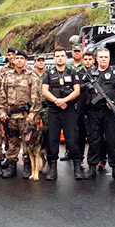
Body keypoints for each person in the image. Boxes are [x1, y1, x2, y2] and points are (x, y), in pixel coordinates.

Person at [0, 50, 41, 179]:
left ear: (26, 60)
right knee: (12, 141)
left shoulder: (31, 75)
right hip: (11, 115)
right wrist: (1, 111)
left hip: (26, 116)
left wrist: (32, 114)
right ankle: (12, 166)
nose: (19, 60)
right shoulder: (7, 75)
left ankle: (28, 166)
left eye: (22, 58)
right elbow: (2, 95)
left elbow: (36, 97)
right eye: (17, 58)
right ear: (13, 60)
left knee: (28, 142)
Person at [83, 48, 115, 180]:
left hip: (110, 112)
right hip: (94, 112)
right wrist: (90, 87)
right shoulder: (90, 72)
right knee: (94, 140)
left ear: (109, 58)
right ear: (96, 59)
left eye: (105, 57)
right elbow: (81, 86)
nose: (103, 59)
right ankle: (92, 167)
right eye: (100, 57)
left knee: (113, 140)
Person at [43, 48, 83, 180]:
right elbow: (44, 90)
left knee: (72, 139)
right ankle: (52, 169)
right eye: (57, 56)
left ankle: (77, 167)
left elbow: (77, 90)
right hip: (54, 111)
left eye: (62, 56)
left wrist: (65, 100)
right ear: (54, 58)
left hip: (69, 111)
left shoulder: (72, 72)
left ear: (66, 58)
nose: (60, 58)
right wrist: (57, 101)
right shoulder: (48, 73)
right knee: (52, 140)